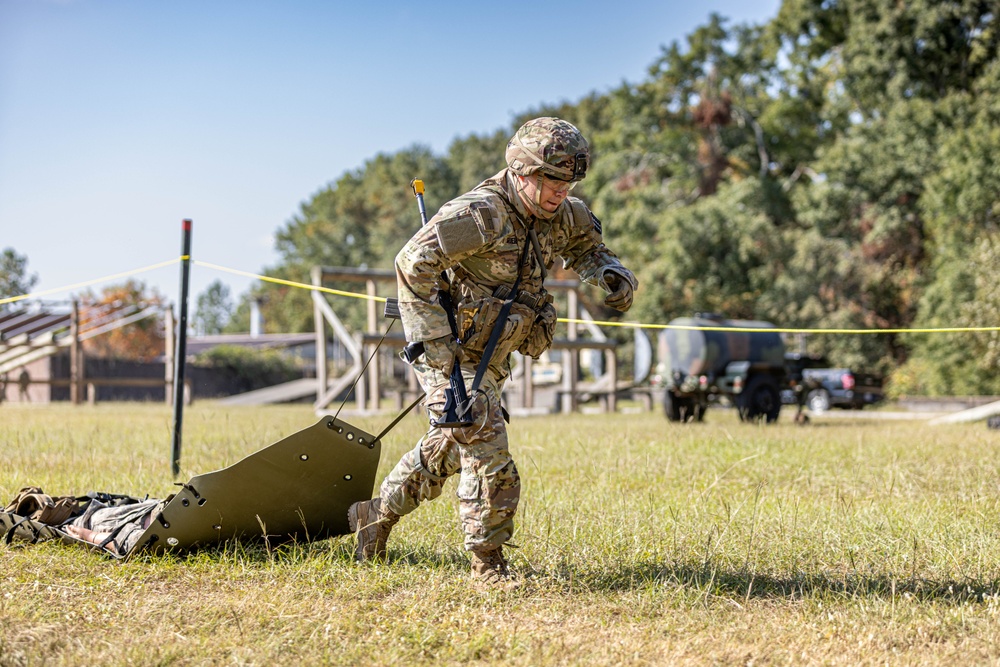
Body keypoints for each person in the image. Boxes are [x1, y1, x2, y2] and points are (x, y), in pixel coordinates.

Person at [348, 117, 638, 588]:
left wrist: (610, 272)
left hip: (493, 351)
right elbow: (411, 264)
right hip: (449, 348)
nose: (561, 192)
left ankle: (374, 515)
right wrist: (438, 356)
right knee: (482, 432)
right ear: (523, 172)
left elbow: (588, 246)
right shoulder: (482, 214)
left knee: (448, 446)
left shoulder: (563, 213)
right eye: (552, 180)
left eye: (569, 182)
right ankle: (488, 563)